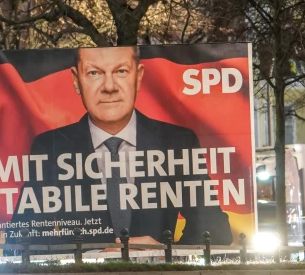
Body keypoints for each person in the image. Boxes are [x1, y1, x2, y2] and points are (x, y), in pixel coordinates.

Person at [26, 46, 232, 246]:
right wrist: (92, 257)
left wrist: (163, 254)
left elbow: (216, 232)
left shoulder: (178, 143)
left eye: (121, 71)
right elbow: (22, 239)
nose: (109, 87)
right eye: (94, 72)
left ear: (139, 76)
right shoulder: (50, 148)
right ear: (76, 80)